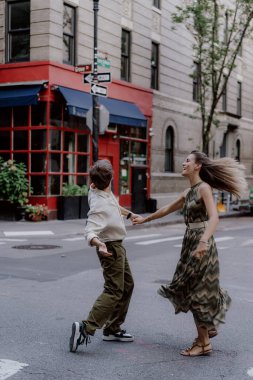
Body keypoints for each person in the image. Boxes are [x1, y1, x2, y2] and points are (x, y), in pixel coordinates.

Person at [133, 150, 247, 357]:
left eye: (187, 161)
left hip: (202, 244)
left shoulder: (204, 188)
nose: (183, 163)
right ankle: (206, 331)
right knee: (193, 288)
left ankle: (203, 343)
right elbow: (167, 208)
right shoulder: (189, 192)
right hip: (190, 242)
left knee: (198, 291)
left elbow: (214, 218)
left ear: (197, 166)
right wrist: (144, 220)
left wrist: (203, 242)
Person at [69, 159, 137, 352]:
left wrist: (130, 215)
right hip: (110, 248)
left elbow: (114, 206)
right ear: (112, 178)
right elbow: (90, 229)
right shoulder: (99, 204)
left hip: (117, 246)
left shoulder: (98, 190)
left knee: (128, 285)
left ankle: (112, 328)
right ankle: (86, 328)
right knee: (114, 289)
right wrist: (98, 243)